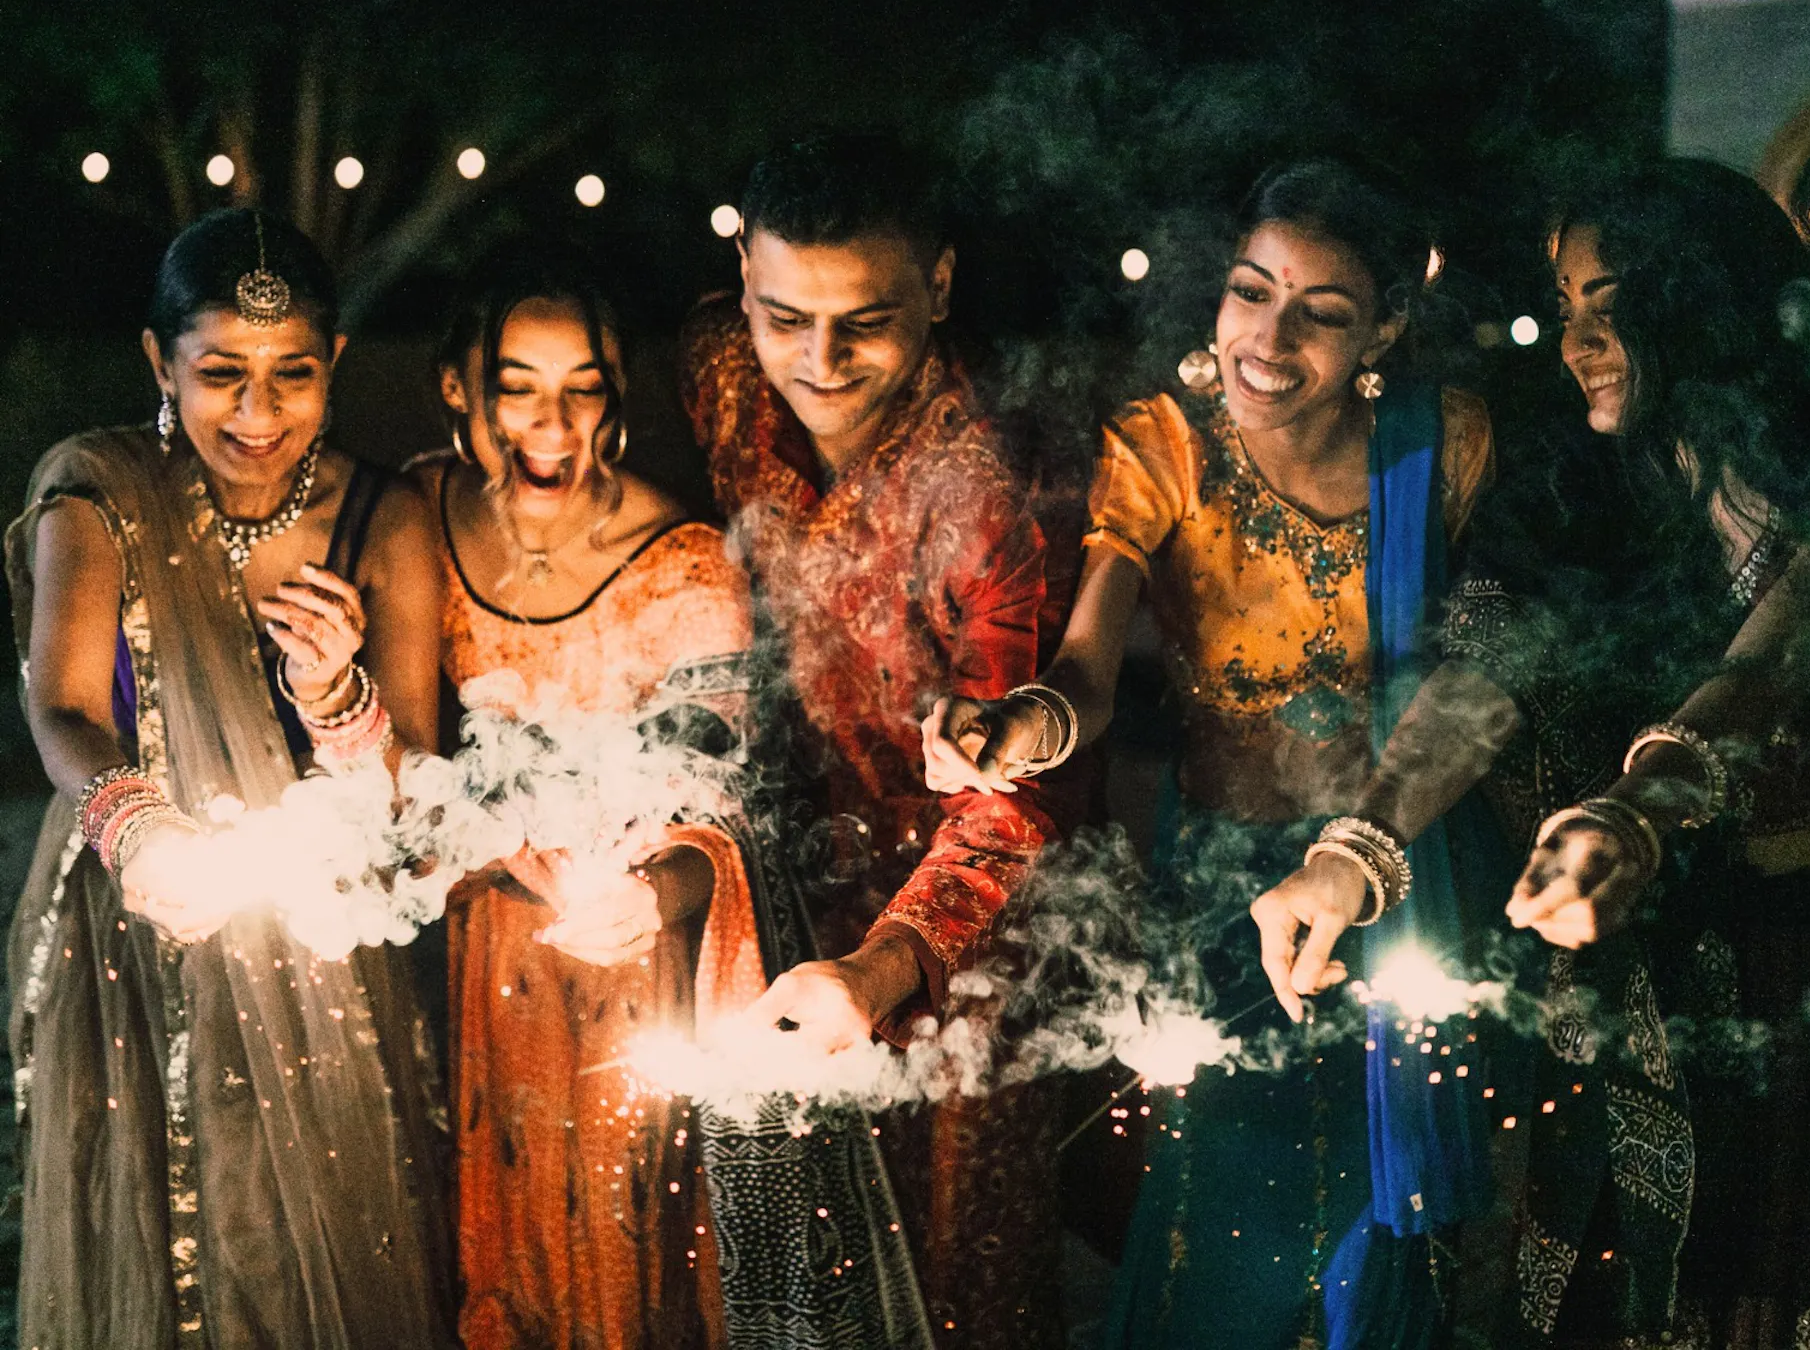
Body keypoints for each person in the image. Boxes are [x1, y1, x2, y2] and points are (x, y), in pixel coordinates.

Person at [925, 158, 1495, 1348]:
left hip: (1403, 866)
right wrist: (1018, 727)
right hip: (1233, 897)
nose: (1270, 338)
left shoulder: (1441, 443)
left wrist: (1374, 843)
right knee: (1228, 1228)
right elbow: (1083, 670)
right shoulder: (1165, 445)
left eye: (1324, 313)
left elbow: (1485, 669)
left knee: (1380, 1228)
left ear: (1384, 327)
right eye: (1250, 291)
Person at [419, 251, 925, 1350]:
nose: (552, 420)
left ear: (618, 397)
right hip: (471, 969)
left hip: (626, 970)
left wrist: (648, 898)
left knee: (620, 1267)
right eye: (517, 383)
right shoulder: (420, 514)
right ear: (462, 387)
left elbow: (719, 807)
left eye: (584, 385)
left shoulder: (683, 564)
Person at [5, 208, 453, 1348]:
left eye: (291, 376)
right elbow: (60, 708)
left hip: (322, 957)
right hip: (135, 931)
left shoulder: (384, 520)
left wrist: (337, 700)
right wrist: (142, 831)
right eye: (220, 375)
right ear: (160, 361)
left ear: (336, 363)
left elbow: (418, 786)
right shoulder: (99, 497)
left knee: (310, 1245)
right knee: (156, 1246)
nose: (257, 415)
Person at [1502, 161, 1810, 1348]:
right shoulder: (1627, 488)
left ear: (1697, 295)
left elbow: (1773, 655)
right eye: (1567, 306)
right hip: (1691, 979)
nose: (1577, 341)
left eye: (1608, 301)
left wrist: (1639, 802)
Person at [680, 132, 1082, 1346]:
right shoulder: (715, 365)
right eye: (784, 315)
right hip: (766, 901)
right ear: (742, 275)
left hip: (954, 942)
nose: (820, 360)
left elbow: (1012, 803)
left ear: (943, 286)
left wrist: (886, 968)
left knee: (950, 1284)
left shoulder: (988, 492)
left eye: (866, 320)